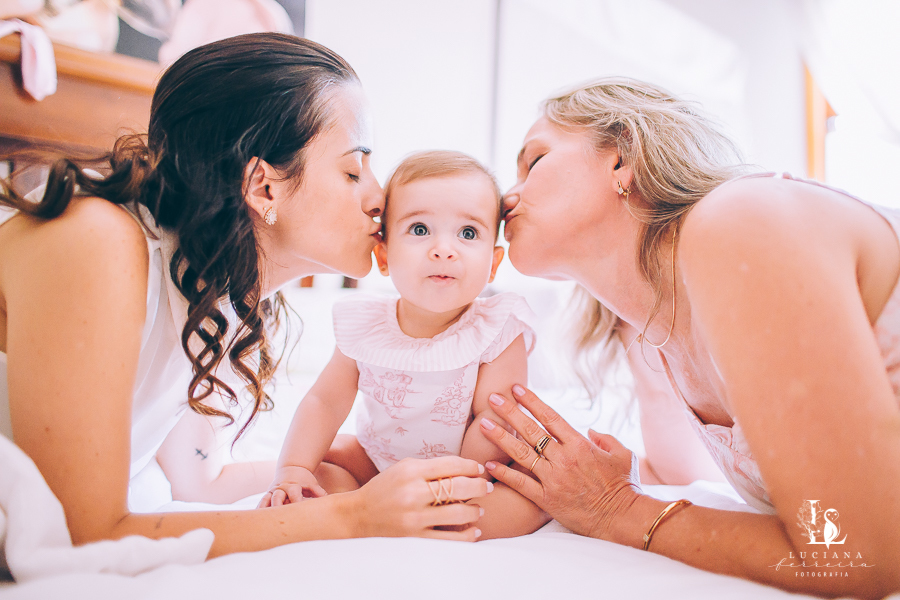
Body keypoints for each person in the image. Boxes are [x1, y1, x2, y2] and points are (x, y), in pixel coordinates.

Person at [0, 33, 491, 560]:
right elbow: (80, 535)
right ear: (263, 187)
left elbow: (199, 483)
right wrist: (354, 515)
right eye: (353, 170)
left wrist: (368, 471)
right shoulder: (94, 240)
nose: (380, 198)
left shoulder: (214, 296)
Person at [477, 77, 900, 598]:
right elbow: (682, 471)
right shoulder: (654, 326)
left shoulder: (739, 222)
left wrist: (616, 508)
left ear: (622, 159)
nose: (506, 195)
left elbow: (854, 554)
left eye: (534, 160)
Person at [259, 151, 549, 540]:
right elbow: (324, 402)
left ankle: (432, 518)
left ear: (493, 264)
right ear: (383, 254)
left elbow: (495, 421)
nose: (444, 249)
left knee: (526, 495)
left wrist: (447, 491)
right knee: (324, 461)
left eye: (467, 233)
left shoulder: (498, 326)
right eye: (419, 230)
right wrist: (293, 470)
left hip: (474, 470)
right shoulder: (364, 325)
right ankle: (366, 506)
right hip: (381, 464)